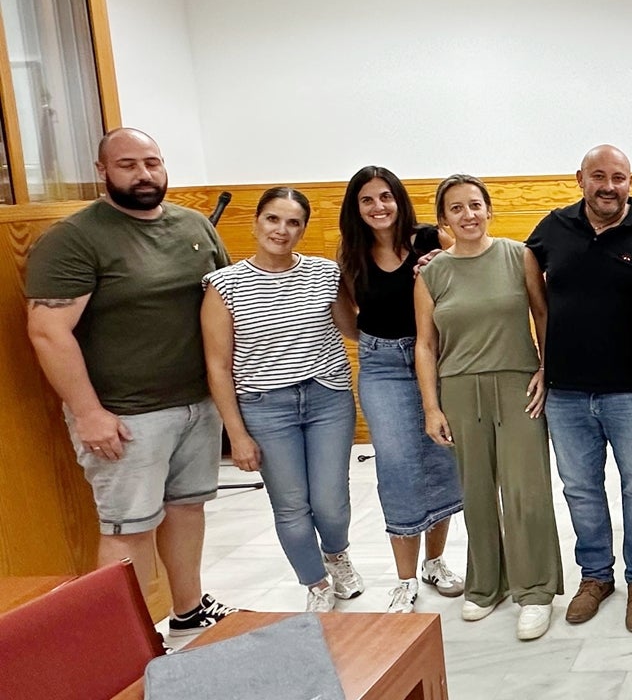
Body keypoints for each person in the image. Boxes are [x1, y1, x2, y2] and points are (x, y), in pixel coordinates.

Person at [25, 127, 238, 639]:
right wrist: (88, 412)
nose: (143, 174)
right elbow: (48, 331)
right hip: (125, 416)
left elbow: (226, 301)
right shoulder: (75, 238)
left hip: (197, 403)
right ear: (102, 171)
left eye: (152, 162)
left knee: (186, 509)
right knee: (129, 528)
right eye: (127, 165)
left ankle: (189, 609)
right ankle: (125, 639)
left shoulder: (193, 225)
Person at [527, 145, 632, 633]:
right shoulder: (552, 228)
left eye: (618, 177)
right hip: (566, 391)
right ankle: (595, 576)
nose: (608, 186)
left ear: (631, 182)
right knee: (580, 488)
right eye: (598, 176)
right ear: (580, 178)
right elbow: (518, 279)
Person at [201, 187, 363, 612]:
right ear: (256, 222)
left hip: (327, 398)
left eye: (293, 222)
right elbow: (218, 366)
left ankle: (336, 554)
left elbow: (353, 329)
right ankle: (316, 583)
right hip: (265, 408)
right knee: (291, 506)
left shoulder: (325, 274)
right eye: (273, 219)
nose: (282, 230)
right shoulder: (224, 285)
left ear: (303, 230)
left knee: (330, 502)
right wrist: (236, 434)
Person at [416, 174, 562, 640]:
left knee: (525, 490)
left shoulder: (518, 256)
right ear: (444, 219)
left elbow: (543, 314)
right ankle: (486, 585)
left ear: (489, 209)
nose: (468, 215)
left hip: (519, 384)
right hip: (459, 388)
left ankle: (535, 590)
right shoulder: (431, 274)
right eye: (456, 208)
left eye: (475, 205)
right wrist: (431, 407)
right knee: (476, 491)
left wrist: (546, 368)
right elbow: (425, 344)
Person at [336, 166, 465, 613]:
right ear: (356, 208)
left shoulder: (430, 239)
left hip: (438, 357)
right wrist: (380, 343)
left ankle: (435, 562)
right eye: (367, 200)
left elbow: (463, 283)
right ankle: (405, 580)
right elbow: (348, 319)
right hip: (382, 365)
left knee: (443, 458)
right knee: (397, 466)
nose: (379, 207)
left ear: (399, 199)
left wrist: (444, 264)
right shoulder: (352, 254)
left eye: (386, 197)